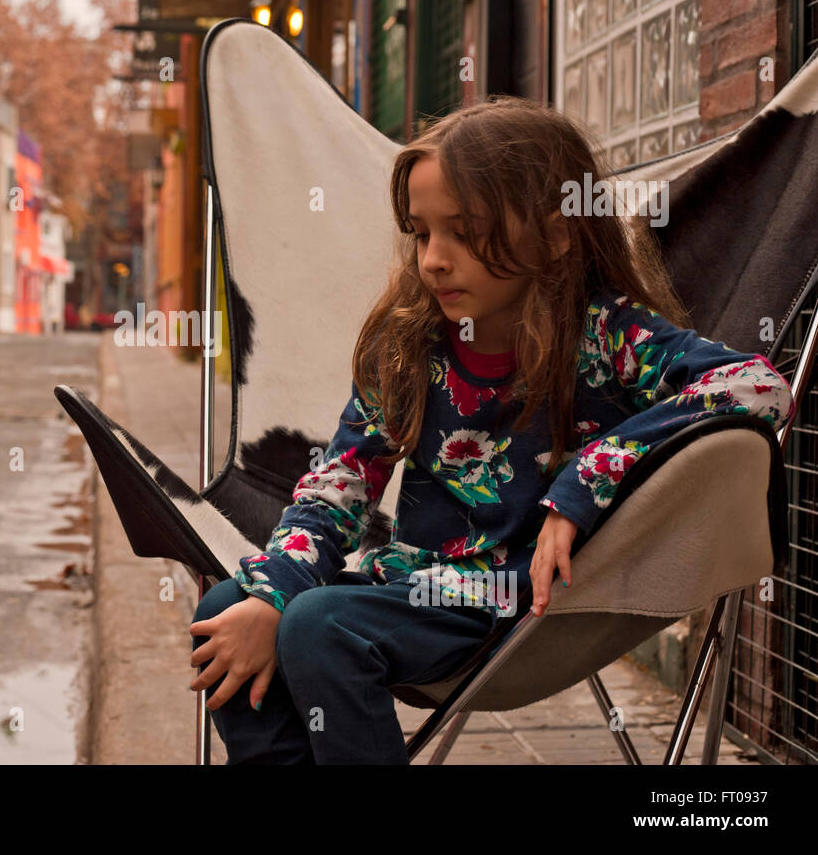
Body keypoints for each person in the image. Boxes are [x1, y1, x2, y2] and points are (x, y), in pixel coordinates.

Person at [188, 95, 796, 765]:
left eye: (464, 230)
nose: (433, 260)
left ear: (558, 231)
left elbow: (758, 386)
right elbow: (338, 488)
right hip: (420, 591)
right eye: (421, 232)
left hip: (533, 608)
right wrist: (273, 590)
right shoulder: (410, 349)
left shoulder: (602, 335)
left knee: (317, 627)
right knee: (228, 607)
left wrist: (589, 475)